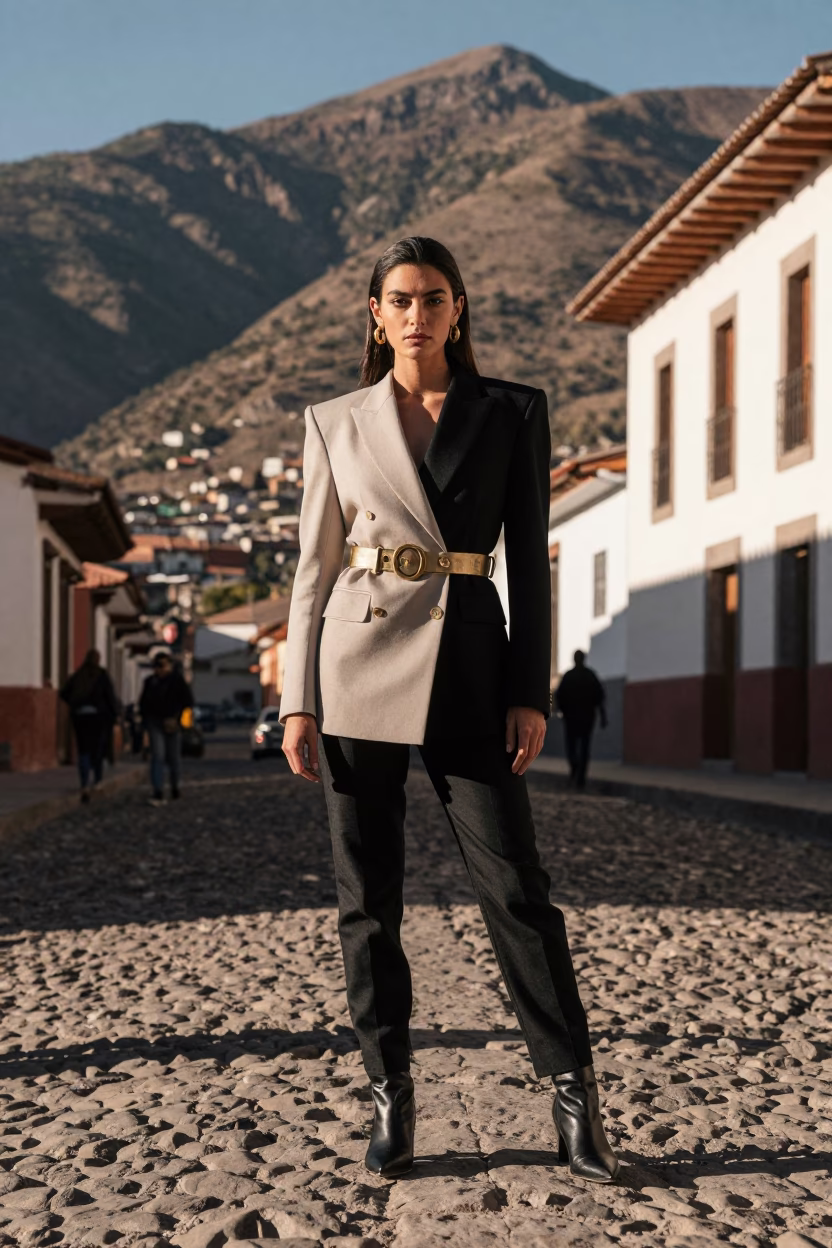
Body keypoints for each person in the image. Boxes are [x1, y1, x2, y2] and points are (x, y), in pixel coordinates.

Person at [279, 237, 618, 1185]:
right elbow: (311, 571)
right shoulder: (334, 421)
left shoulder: (512, 410)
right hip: (355, 661)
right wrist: (296, 700)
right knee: (368, 901)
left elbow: (531, 561)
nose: (417, 313)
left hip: (470, 668)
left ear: (459, 308)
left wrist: (527, 690)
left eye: (434, 297)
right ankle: (392, 1097)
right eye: (400, 299)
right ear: (376, 314)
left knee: (517, 891)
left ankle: (574, 1098)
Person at [60, 649, 119, 803]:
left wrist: (75, 704)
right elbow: (110, 696)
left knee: (83, 750)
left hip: (80, 718)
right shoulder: (102, 676)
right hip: (98, 718)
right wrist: (114, 714)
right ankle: (97, 781)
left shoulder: (78, 675)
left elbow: (64, 693)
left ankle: (84, 783)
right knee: (97, 750)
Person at [139, 651, 193, 805]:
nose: (160, 669)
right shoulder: (150, 682)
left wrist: (177, 719)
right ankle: (158, 790)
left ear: (169, 666)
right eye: (157, 666)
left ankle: (175, 787)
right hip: (154, 722)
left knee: (174, 757)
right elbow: (144, 704)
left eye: (162, 665)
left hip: (173, 724)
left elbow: (187, 702)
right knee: (158, 756)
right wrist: (145, 724)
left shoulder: (177, 681)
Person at [555, 651, 607, 791]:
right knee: (583, 747)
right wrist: (603, 716)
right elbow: (600, 697)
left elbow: (559, 696)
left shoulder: (569, 676)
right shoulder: (589, 675)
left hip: (573, 718)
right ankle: (579, 775)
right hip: (585, 718)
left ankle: (576, 770)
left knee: (573, 746)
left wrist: (560, 711)